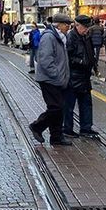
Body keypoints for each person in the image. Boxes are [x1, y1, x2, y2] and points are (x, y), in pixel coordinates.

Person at [29, 13, 73, 146]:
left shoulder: (60, 37)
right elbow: (45, 59)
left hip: (57, 79)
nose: (68, 27)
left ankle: (56, 137)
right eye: (66, 25)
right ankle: (37, 126)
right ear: (58, 25)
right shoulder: (49, 37)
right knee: (56, 108)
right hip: (49, 79)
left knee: (58, 108)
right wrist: (57, 75)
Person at [62, 15, 99, 138]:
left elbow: (90, 53)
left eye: (88, 28)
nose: (87, 30)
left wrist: (93, 66)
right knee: (69, 105)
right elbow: (68, 56)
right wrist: (81, 61)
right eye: (85, 28)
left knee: (86, 103)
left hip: (84, 76)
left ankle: (86, 128)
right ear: (78, 26)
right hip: (73, 76)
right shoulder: (71, 37)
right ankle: (67, 129)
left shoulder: (86, 36)